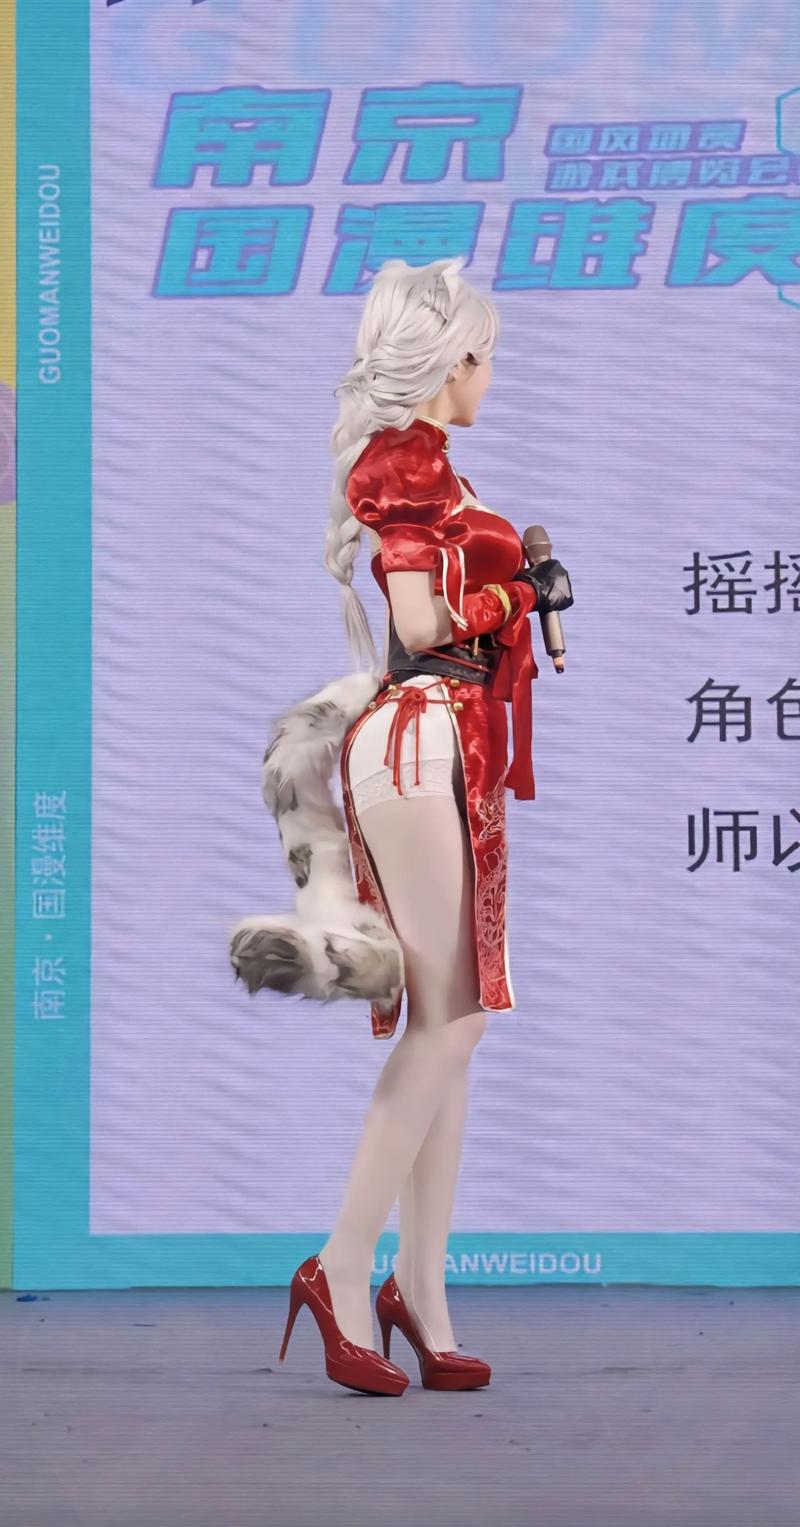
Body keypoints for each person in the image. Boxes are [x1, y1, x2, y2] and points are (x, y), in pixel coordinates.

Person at [231, 256, 574, 1396]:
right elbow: (424, 625)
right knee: (448, 1023)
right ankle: (339, 1267)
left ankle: (419, 1292)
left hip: (446, 744)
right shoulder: (407, 465)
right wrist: (523, 594)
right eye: (487, 357)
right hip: (423, 734)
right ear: (452, 360)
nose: (493, 377)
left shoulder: (433, 468)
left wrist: (517, 590)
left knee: (453, 1024)